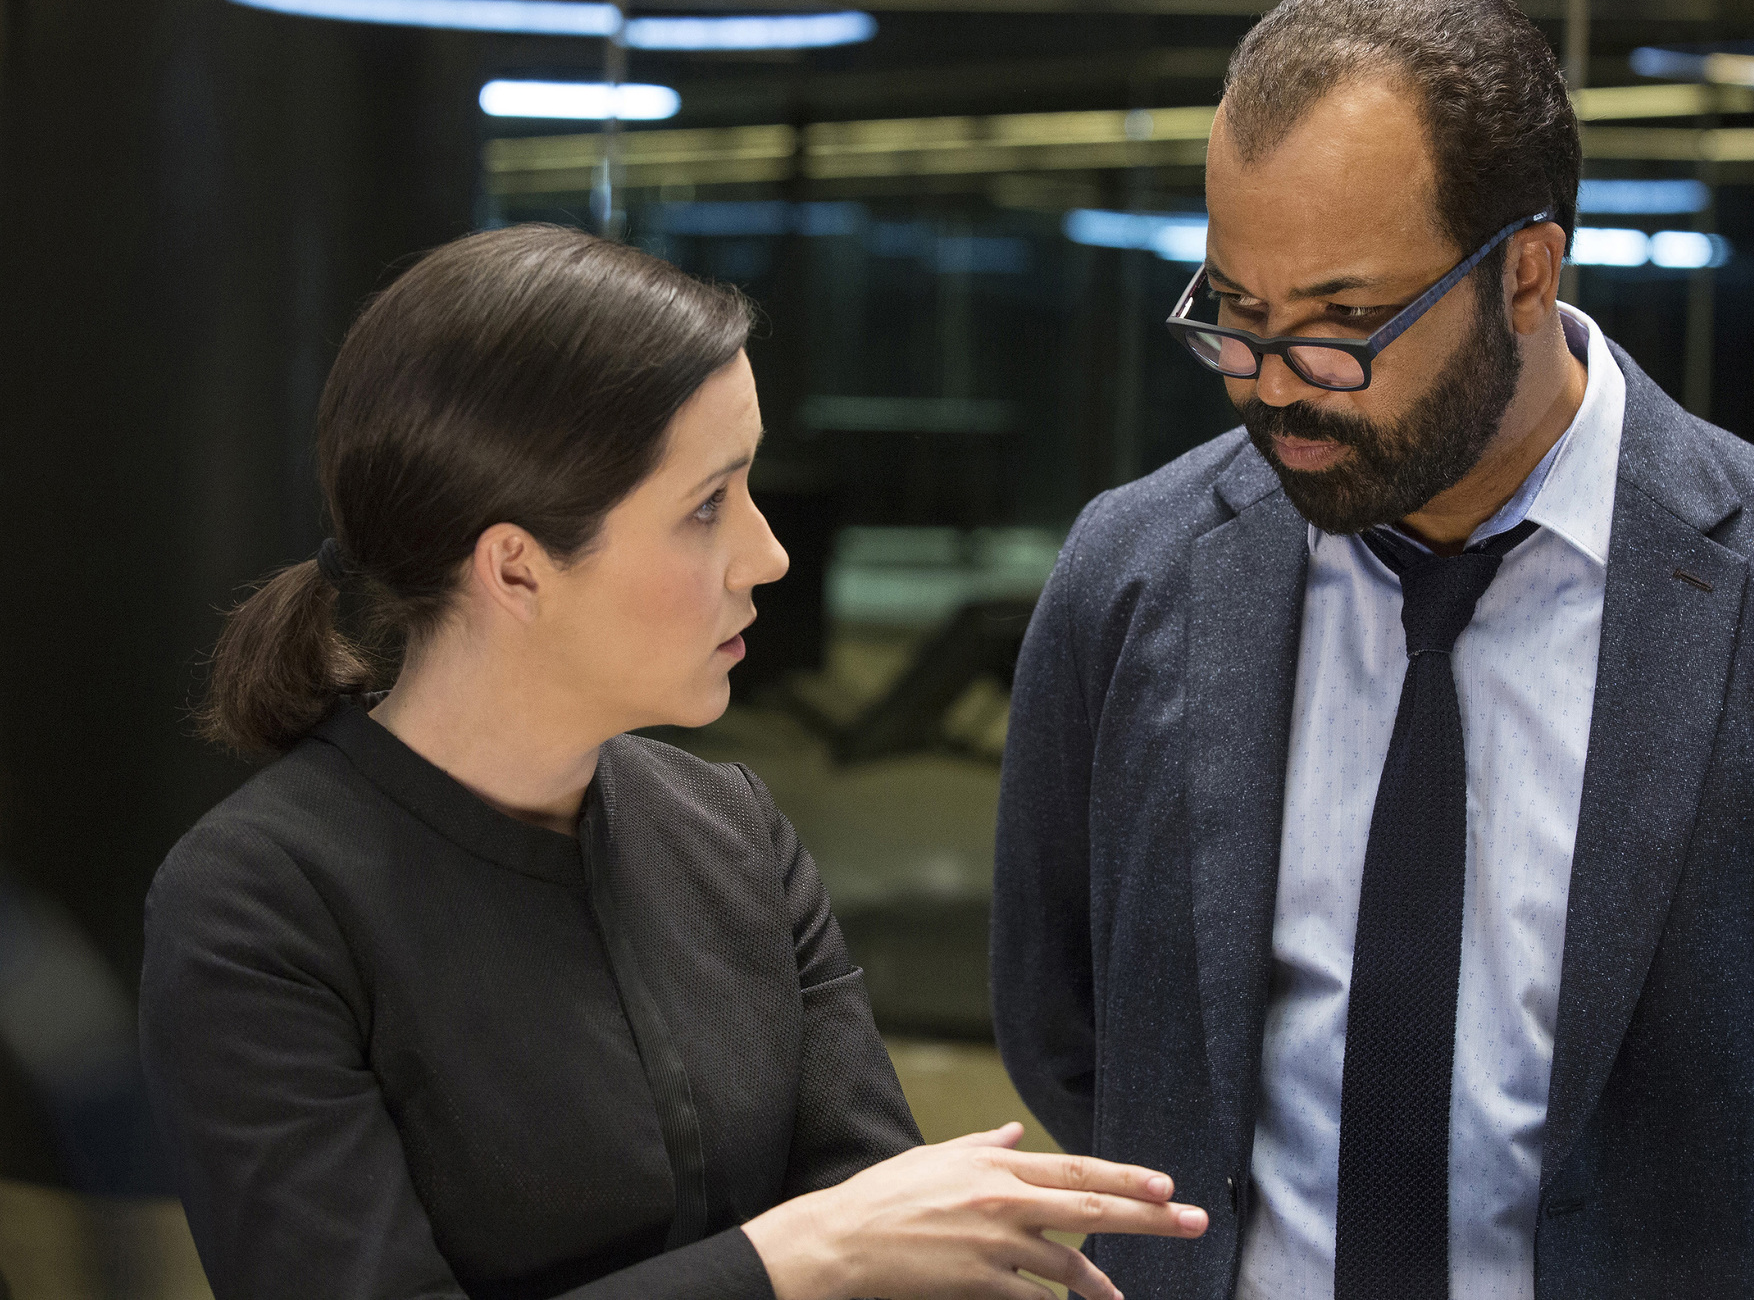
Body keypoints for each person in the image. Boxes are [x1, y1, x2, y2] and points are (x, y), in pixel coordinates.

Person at [991, 0, 1754, 1300]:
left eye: (1346, 324)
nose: (1277, 387)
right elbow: (1069, 1025)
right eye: (1237, 314)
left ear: (1526, 271)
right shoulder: (1134, 576)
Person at [139, 224, 1207, 1300]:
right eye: (707, 506)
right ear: (515, 569)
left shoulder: (728, 829)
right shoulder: (259, 906)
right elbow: (851, 1237)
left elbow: (887, 1235)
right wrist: (796, 1259)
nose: (769, 554)